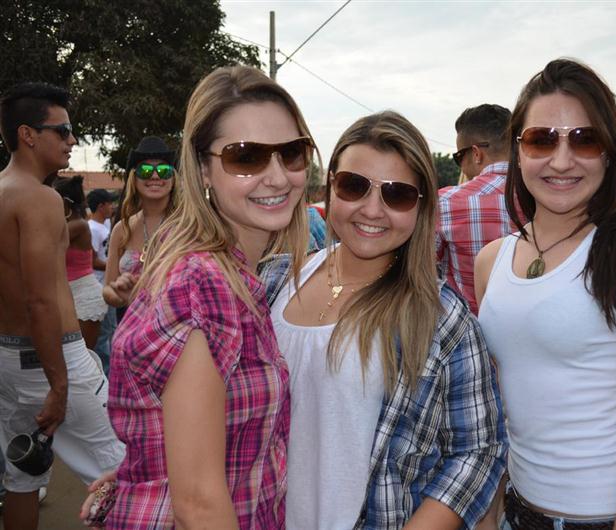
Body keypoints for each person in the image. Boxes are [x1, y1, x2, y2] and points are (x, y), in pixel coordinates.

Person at [80, 65, 313, 530]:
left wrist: (143, 471)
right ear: (203, 167)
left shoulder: (232, 270)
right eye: (246, 156)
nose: (277, 177)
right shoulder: (203, 282)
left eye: (291, 153)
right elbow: (199, 505)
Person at [262, 111, 507, 529]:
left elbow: (479, 449)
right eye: (354, 186)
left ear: (420, 206)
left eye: (397, 194)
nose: (372, 210)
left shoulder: (441, 316)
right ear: (331, 186)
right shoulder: (272, 281)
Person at [474, 58, 616, 529]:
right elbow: (501, 412)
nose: (562, 160)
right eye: (542, 139)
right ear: (518, 151)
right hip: (517, 513)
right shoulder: (491, 261)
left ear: (609, 153)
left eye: (585, 140)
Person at [0, 82, 124, 530]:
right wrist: (58, 384)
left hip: (9, 360)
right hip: (52, 360)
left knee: (22, 476)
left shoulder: (4, 190)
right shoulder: (39, 198)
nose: (72, 140)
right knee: (127, 471)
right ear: (28, 135)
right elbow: (40, 298)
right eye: (63, 130)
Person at [436, 104, 516, 314]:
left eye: (458, 157)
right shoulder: (545, 198)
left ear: (476, 154)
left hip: (467, 327)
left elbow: (424, 274)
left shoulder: (445, 203)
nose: (460, 165)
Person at [102, 136, 177, 318]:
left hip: (178, 328)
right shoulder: (122, 229)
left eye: (163, 170)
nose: (155, 176)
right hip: (131, 326)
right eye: (145, 170)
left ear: (173, 178)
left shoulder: (189, 225)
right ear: (133, 179)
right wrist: (120, 295)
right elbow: (108, 290)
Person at [53, 176, 108, 352]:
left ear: (64, 201)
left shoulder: (79, 225)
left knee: (82, 355)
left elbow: (44, 242)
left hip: (85, 297)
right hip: (68, 294)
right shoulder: (70, 224)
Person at [87, 188, 116, 371]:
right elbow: (91, 261)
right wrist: (115, 266)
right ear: (101, 206)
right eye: (110, 203)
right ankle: (105, 372)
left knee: (112, 328)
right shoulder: (91, 229)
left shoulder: (105, 224)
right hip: (99, 285)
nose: (112, 207)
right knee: (104, 333)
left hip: (109, 282)